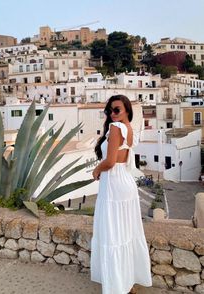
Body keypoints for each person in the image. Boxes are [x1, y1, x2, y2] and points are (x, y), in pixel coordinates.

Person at [90, 95, 152, 294]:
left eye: (117, 110)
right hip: (124, 183)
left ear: (127, 110)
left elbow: (109, 162)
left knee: (113, 236)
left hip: (114, 185)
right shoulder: (129, 128)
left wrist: (96, 170)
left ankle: (117, 286)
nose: (112, 114)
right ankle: (127, 283)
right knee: (125, 234)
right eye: (110, 110)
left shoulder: (116, 129)